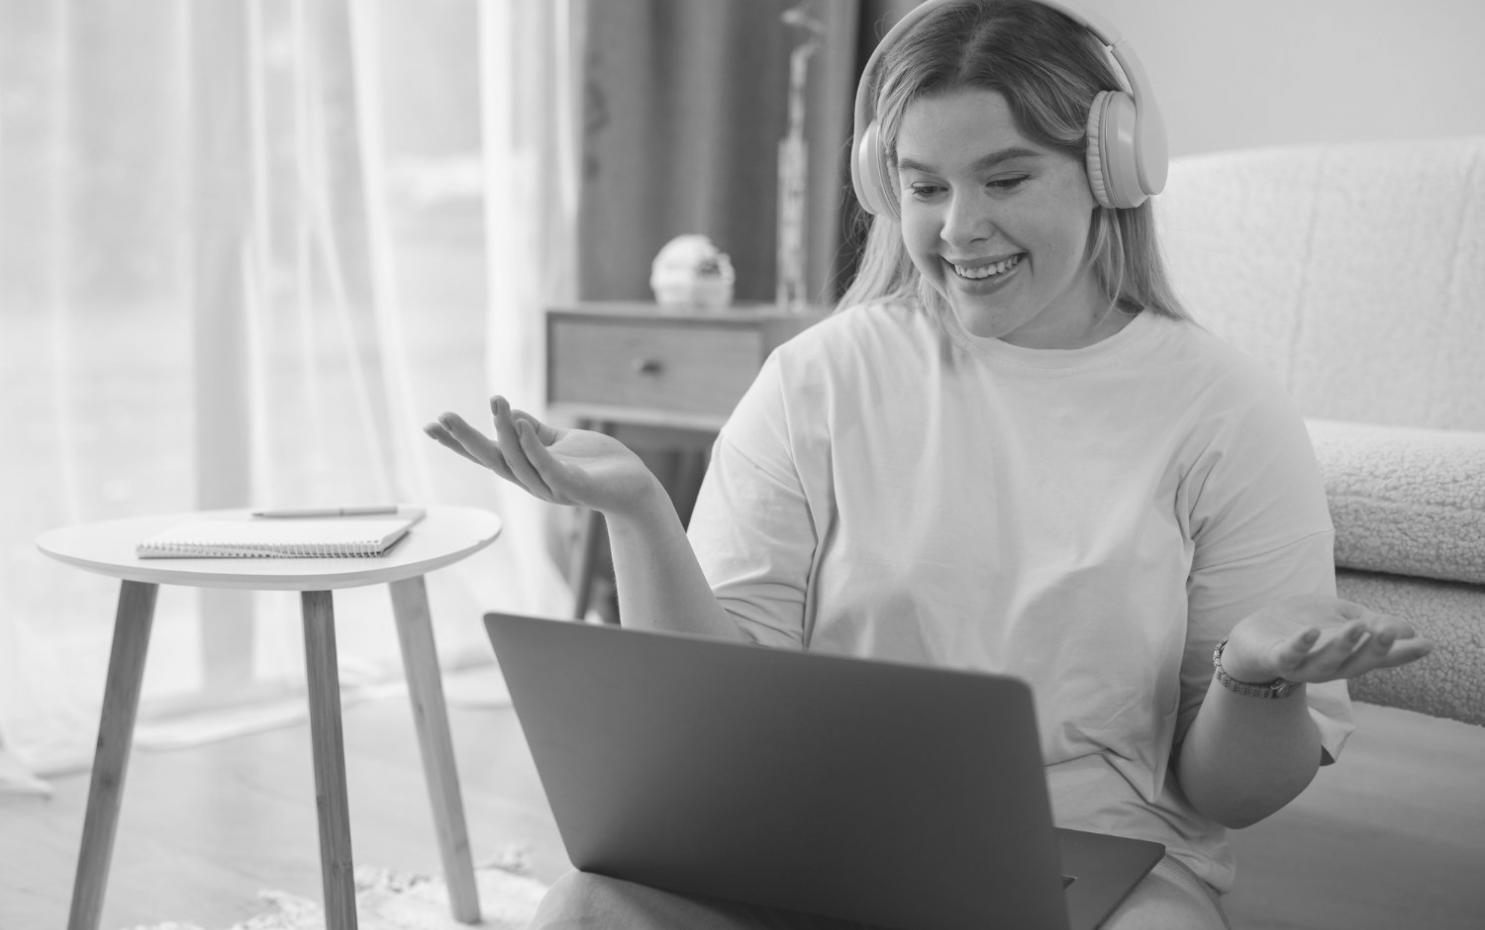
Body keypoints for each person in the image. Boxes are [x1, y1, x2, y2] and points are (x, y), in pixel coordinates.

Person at [425, 1, 1434, 927]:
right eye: (923, 187)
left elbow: (1230, 797)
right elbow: (710, 736)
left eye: (1005, 179)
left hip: (1097, 863)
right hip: (814, 847)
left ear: (1111, 170)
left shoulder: (1226, 409)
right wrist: (639, 512)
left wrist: (1254, 681)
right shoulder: (817, 378)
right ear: (882, 186)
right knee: (583, 910)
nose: (959, 229)